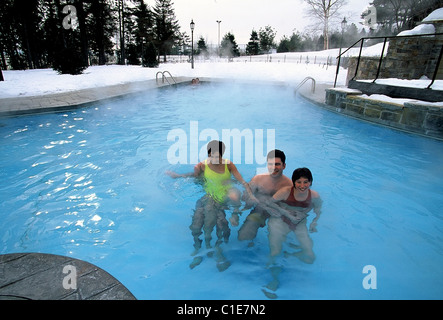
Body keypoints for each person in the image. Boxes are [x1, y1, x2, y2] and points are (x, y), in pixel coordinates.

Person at [166, 140, 257, 271]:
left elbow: (241, 181)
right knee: (199, 225)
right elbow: (195, 179)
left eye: (217, 156)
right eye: (211, 155)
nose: (214, 158)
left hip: (225, 197)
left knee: (222, 221)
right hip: (210, 197)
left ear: (222, 154)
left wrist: (251, 195)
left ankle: (218, 248)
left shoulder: (228, 164)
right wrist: (178, 176)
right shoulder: (201, 166)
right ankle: (198, 249)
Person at [260, 167, 322, 298]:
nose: (302, 185)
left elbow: (318, 210)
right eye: (299, 182)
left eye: (306, 182)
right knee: (275, 251)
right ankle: (274, 280)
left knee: (310, 257)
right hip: (280, 221)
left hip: (299, 224)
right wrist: (286, 213)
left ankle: (288, 255)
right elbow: (269, 203)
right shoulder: (285, 192)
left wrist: (314, 222)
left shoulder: (314, 196)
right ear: (293, 182)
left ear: (311, 182)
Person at [237, 150, 292, 245]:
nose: (274, 167)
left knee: (278, 240)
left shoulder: (289, 185)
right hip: (259, 210)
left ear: (284, 166)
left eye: (277, 164)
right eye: (270, 164)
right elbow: (245, 198)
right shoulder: (258, 179)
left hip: (277, 214)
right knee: (243, 237)